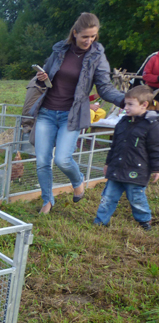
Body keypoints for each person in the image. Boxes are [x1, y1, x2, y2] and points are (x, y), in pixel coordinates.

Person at [31, 12, 125, 215]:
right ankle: (47, 200)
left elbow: (105, 88)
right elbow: (43, 79)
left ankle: (77, 180)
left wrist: (124, 100)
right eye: (85, 36)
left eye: (93, 36)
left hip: (70, 115)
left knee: (63, 159)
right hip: (47, 112)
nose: (89, 41)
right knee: (42, 161)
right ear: (75, 33)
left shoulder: (97, 57)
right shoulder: (59, 50)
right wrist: (41, 77)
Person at [94, 85, 159, 230]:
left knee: (136, 198)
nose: (125, 107)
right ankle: (100, 221)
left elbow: (155, 149)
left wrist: (156, 169)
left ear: (144, 105)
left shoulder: (152, 125)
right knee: (107, 198)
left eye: (130, 104)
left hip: (137, 170)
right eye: (125, 103)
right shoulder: (123, 122)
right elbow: (114, 144)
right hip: (116, 167)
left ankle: (144, 220)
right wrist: (108, 162)